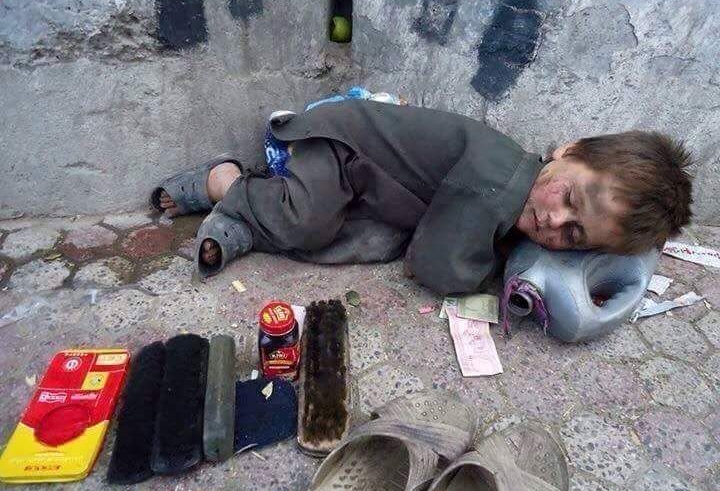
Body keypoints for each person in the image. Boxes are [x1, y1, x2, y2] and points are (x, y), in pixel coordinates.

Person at [151, 99, 693, 295]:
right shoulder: (500, 182)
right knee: (307, 223)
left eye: (573, 235)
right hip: (338, 146)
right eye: (570, 196)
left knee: (374, 242)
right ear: (568, 151)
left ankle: (247, 221)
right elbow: (438, 268)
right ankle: (225, 182)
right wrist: (499, 276)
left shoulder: (517, 189)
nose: (554, 220)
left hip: (373, 189)